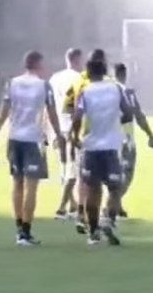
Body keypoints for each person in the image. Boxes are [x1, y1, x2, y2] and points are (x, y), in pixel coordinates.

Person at [0, 51, 65, 246]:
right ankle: (26, 231)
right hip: (33, 139)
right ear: (38, 65)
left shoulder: (12, 83)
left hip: (15, 138)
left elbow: (3, 113)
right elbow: (52, 113)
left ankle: (19, 228)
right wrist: (59, 135)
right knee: (31, 187)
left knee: (17, 184)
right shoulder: (43, 86)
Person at [71, 58, 132, 246]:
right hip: (111, 147)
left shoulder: (85, 92)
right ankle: (108, 218)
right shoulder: (116, 89)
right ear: (105, 71)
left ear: (88, 73)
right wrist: (117, 122)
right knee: (115, 188)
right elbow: (127, 111)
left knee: (92, 189)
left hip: (91, 147)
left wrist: (75, 137)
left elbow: (77, 117)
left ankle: (93, 232)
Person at [63, 48, 110, 232]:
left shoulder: (77, 82)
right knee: (103, 181)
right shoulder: (108, 84)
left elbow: (67, 108)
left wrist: (72, 133)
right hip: (104, 136)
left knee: (83, 178)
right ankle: (102, 217)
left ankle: (82, 213)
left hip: (81, 135)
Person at [112, 62, 153, 220]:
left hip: (106, 137)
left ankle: (116, 206)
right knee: (126, 173)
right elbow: (138, 115)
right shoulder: (126, 92)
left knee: (112, 173)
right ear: (124, 74)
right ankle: (113, 205)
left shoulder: (105, 90)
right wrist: (151, 136)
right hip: (125, 138)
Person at [47, 48, 83, 220]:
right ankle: (62, 208)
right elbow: (77, 105)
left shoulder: (55, 78)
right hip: (71, 126)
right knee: (73, 168)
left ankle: (72, 204)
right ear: (77, 60)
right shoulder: (79, 78)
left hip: (56, 126)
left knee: (63, 166)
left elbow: (49, 103)